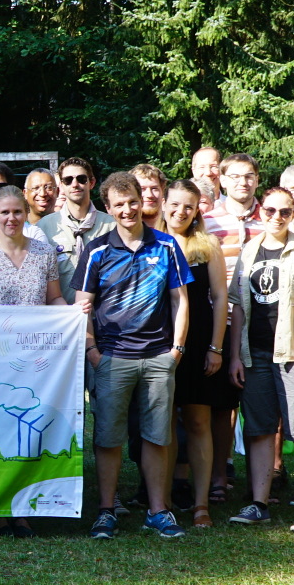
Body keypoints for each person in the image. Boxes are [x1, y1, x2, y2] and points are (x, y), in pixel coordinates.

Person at [77, 173, 193, 540]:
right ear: (108, 209)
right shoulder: (96, 250)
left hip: (159, 356)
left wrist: (177, 350)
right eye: (118, 204)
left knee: (158, 437)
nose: (127, 210)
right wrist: (93, 352)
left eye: (132, 202)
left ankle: (159, 511)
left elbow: (180, 301)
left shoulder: (167, 245)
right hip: (111, 357)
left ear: (142, 201)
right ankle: (107, 511)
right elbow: (82, 307)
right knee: (109, 438)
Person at [225, 187, 294, 536]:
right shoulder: (249, 250)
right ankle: (259, 504)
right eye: (270, 210)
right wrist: (237, 356)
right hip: (255, 355)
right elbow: (238, 305)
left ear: (293, 214)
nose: (277, 217)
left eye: (285, 212)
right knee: (258, 431)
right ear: (260, 212)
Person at [0, 183, 63, 537]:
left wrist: (73, 316)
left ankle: (23, 508)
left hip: (35, 360)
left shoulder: (43, 252)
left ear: (26, 214)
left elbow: (54, 300)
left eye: (17, 212)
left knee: (28, 431)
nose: (11, 218)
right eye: (3, 212)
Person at [161, 181, 234, 529]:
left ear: (197, 210)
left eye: (189, 206)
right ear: (163, 204)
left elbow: (220, 298)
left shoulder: (209, 245)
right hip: (159, 341)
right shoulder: (149, 241)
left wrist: (216, 347)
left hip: (201, 341)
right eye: (175, 204)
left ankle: (201, 504)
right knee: (164, 425)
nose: (181, 212)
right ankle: (163, 502)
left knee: (198, 421)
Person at [37, 157, 116, 299]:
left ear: (91, 183)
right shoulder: (44, 227)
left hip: (101, 316)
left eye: (81, 179)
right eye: (68, 180)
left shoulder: (112, 226)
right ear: (61, 185)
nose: (75, 184)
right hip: (61, 315)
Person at [204, 152, 264, 267]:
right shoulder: (208, 222)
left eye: (248, 177)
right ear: (223, 181)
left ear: (256, 181)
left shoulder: (270, 221)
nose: (243, 183)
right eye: (235, 177)